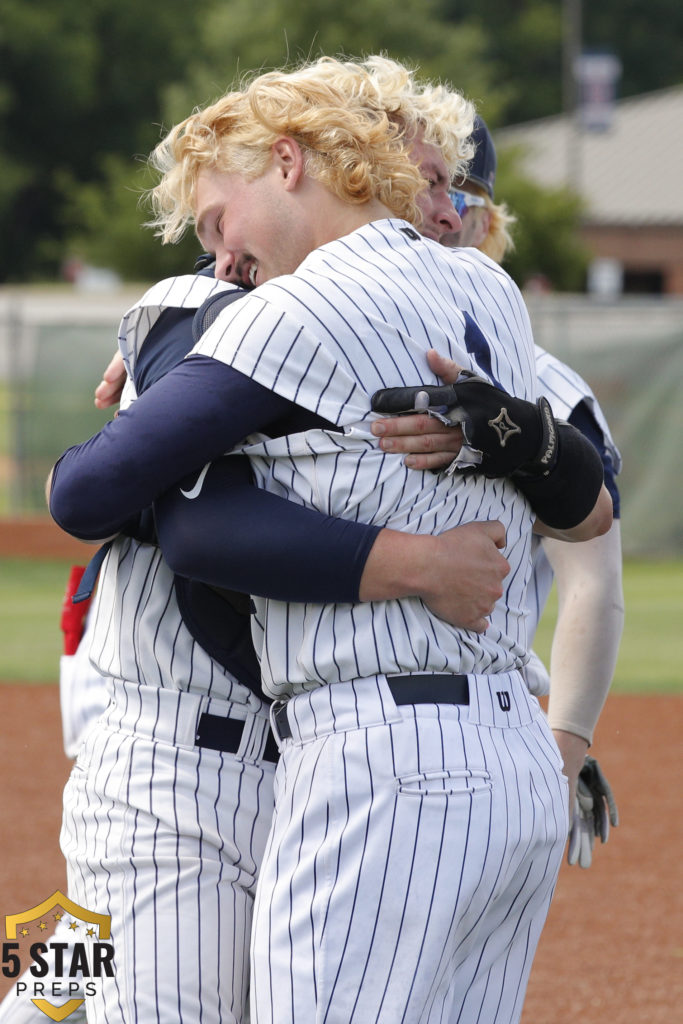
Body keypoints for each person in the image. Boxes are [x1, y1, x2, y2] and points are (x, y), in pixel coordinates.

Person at [46, 56, 612, 1024]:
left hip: (322, 756)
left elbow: (589, 518)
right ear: (319, 162)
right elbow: (163, 512)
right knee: (65, 990)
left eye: (442, 182)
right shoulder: (218, 304)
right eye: (410, 174)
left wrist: (513, 433)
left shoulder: (491, 338)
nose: (425, 203)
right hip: (161, 758)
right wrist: (413, 564)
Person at [372, 114, 624, 867]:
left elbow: (593, 581)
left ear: (486, 223)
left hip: (469, 717)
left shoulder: (544, 384)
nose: (443, 218)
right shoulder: (328, 335)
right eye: (421, 188)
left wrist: (565, 743)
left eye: (461, 197)